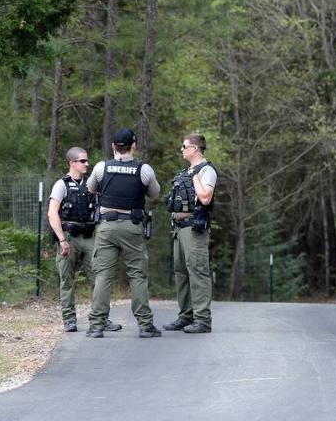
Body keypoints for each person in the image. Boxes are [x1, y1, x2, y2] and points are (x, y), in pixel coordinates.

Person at [85, 128, 162, 338]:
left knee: (103, 276)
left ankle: (96, 326)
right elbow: (155, 194)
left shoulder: (102, 168)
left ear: (113, 146)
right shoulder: (144, 170)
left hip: (106, 228)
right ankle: (145, 326)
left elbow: (91, 189)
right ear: (133, 145)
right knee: (137, 275)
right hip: (132, 226)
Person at [47, 147, 121, 333]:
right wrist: (62, 240)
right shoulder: (61, 184)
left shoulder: (91, 185)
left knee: (99, 277)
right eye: (83, 161)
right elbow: (52, 213)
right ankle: (69, 320)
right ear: (72, 163)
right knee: (67, 280)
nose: (87, 164)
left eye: (87, 161)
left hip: (89, 236)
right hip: (69, 237)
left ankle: (101, 318)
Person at [163, 133, 217, 334]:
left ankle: (203, 319)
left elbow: (205, 197)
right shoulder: (186, 171)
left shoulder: (206, 170)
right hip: (179, 228)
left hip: (195, 228)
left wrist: (194, 177)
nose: (181, 149)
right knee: (181, 272)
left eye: (184, 146)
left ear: (195, 148)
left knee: (198, 271)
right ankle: (186, 316)